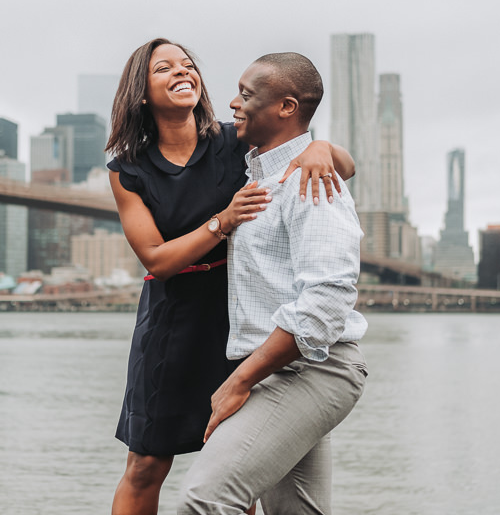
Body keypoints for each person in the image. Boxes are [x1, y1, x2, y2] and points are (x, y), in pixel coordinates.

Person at [106, 39, 355, 515]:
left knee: (237, 462)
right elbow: (156, 259)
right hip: (174, 318)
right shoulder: (129, 168)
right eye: (165, 68)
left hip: (245, 316)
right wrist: (223, 220)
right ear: (141, 91)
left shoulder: (233, 139)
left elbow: (325, 158)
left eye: (188, 64)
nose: (183, 72)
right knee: (146, 463)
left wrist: (321, 146)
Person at [176, 53, 369, 514]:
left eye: (246, 95)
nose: (233, 104)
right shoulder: (258, 174)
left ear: (285, 107)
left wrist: (240, 380)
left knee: (203, 501)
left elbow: (326, 302)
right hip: (277, 370)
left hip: (312, 369)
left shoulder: (311, 181)